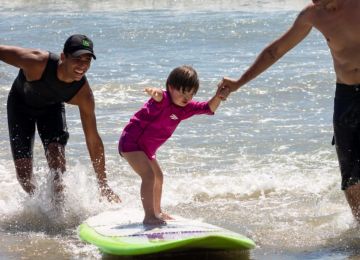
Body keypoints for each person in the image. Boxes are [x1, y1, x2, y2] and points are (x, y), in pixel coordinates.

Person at [218, 0, 360, 222]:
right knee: (350, 176)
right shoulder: (312, 15)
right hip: (346, 95)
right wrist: (238, 83)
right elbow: (275, 51)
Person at [0, 34, 121, 203]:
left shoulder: (82, 94)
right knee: (24, 178)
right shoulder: (37, 62)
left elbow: (93, 139)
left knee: (57, 166)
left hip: (51, 109)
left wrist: (103, 185)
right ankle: (40, 205)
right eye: (77, 58)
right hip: (20, 108)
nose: (82, 65)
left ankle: (58, 211)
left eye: (87, 60)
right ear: (63, 56)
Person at [119, 65, 228, 225]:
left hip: (146, 148)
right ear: (170, 87)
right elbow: (159, 98)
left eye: (191, 93)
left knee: (158, 177)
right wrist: (156, 94)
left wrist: (218, 96)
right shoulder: (163, 100)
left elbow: (208, 108)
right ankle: (149, 217)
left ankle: (157, 212)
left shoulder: (184, 108)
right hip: (132, 142)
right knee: (148, 176)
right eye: (183, 92)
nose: (187, 97)